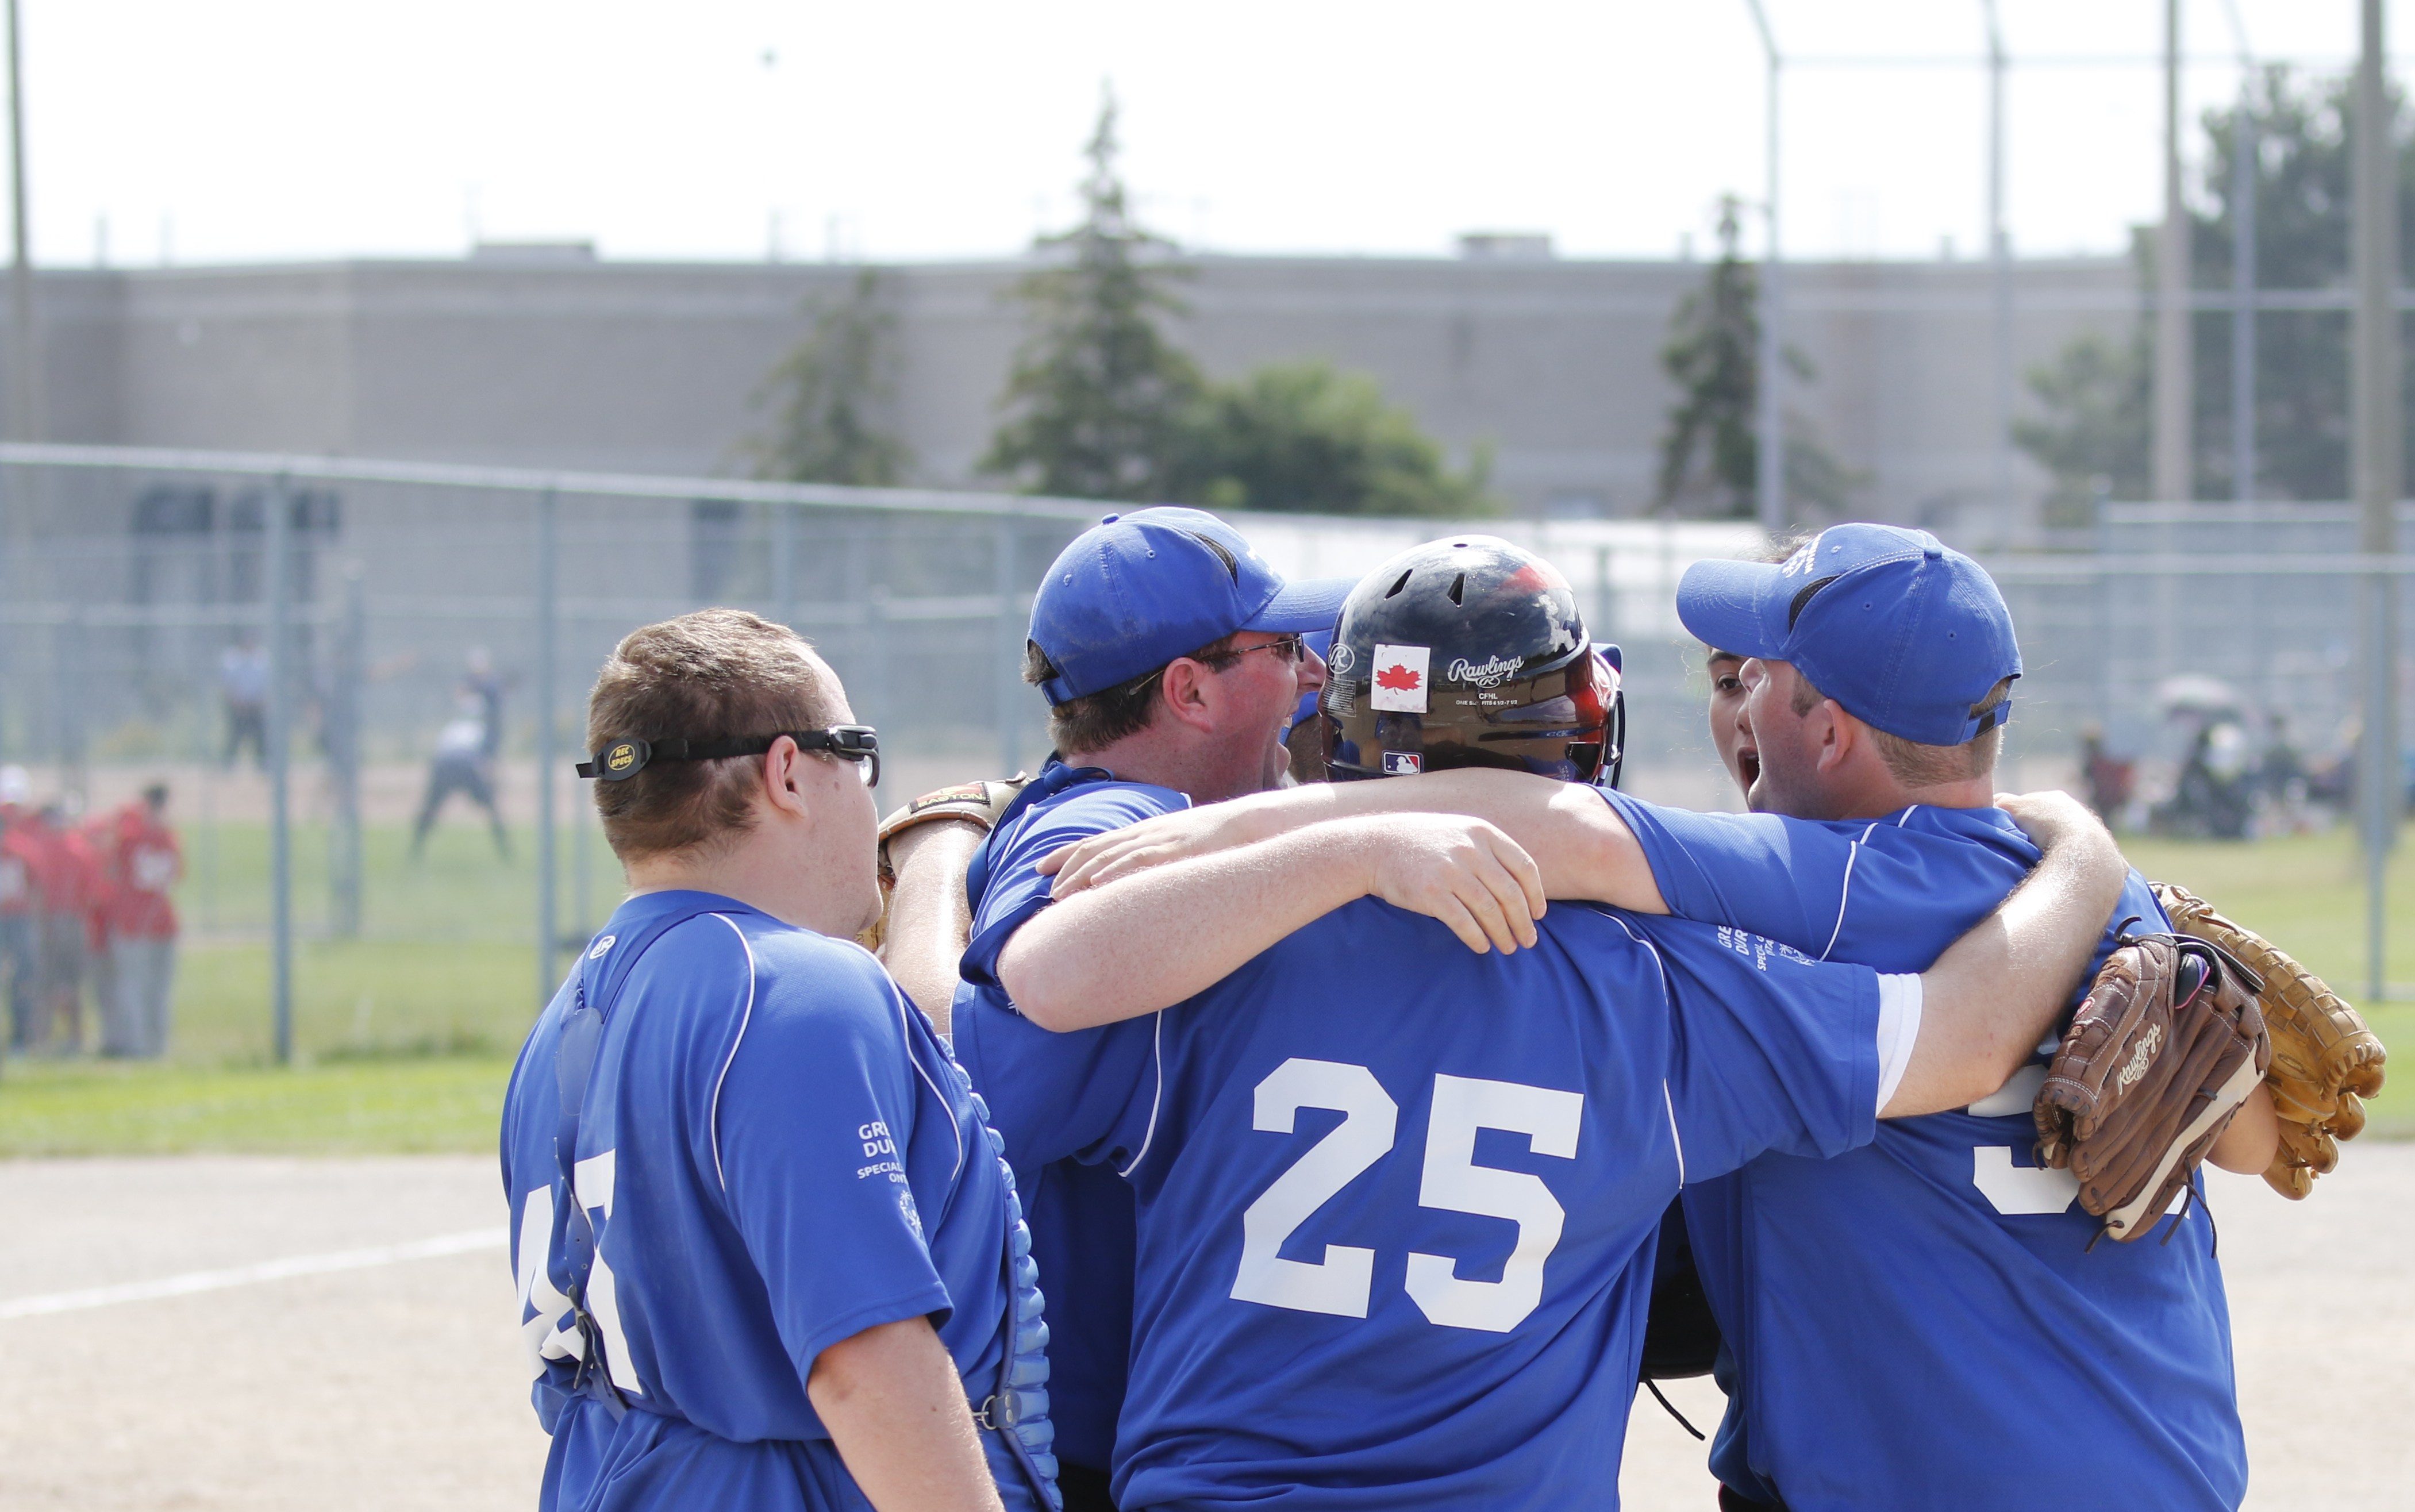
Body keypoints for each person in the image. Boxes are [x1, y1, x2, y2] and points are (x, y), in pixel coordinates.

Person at [1053, 526, 2275, 1511]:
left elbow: (1559, 830)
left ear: (1831, 730)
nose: (1728, 707)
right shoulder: (2082, 907)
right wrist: (2086, 845)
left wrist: (1213, 828)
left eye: (1751, 681)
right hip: (2162, 1456)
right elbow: (2260, 1140)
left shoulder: (1796, 888)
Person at [499, 609, 1056, 1512]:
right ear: (788, 770)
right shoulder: (794, 989)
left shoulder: (567, 1018)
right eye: (858, 756)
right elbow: (862, 1361)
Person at [941, 507, 1346, 1511]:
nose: (1310, 677)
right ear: (1188, 689)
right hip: (1100, 1452)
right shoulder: (1109, 824)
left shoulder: (1144, 816)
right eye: (1283, 650)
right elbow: (984, 1089)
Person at [101, 784, 181, 1058]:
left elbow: (111, 865)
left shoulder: (133, 837)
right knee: (148, 991)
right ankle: (149, 1048)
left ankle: (143, 1049)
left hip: (141, 925)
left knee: (139, 990)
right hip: (151, 923)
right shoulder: (168, 838)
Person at [413, 687, 510, 860]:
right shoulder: (483, 729)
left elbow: (437, 758)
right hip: (467, 765)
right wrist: (493, 786)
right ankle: (506, 851)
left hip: (444, 765)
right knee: (492, 809)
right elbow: (487, 763)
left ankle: (415, 850)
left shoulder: (451, 728)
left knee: (430, 810)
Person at [0, 769, 39, 1052]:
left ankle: (21, 1036)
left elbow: (35, 884)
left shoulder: (23, 844)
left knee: (22, 979)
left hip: (18, 919)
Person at [220, 634, 270, 770]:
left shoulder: (261, 659)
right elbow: (228, 685)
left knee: (260, 739)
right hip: (238, 707)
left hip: (256, 707)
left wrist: (260, 702)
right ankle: (227, 766)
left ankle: (263, 766)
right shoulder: (232, 660)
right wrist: (236, 702)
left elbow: (266, 686)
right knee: (234, 738)